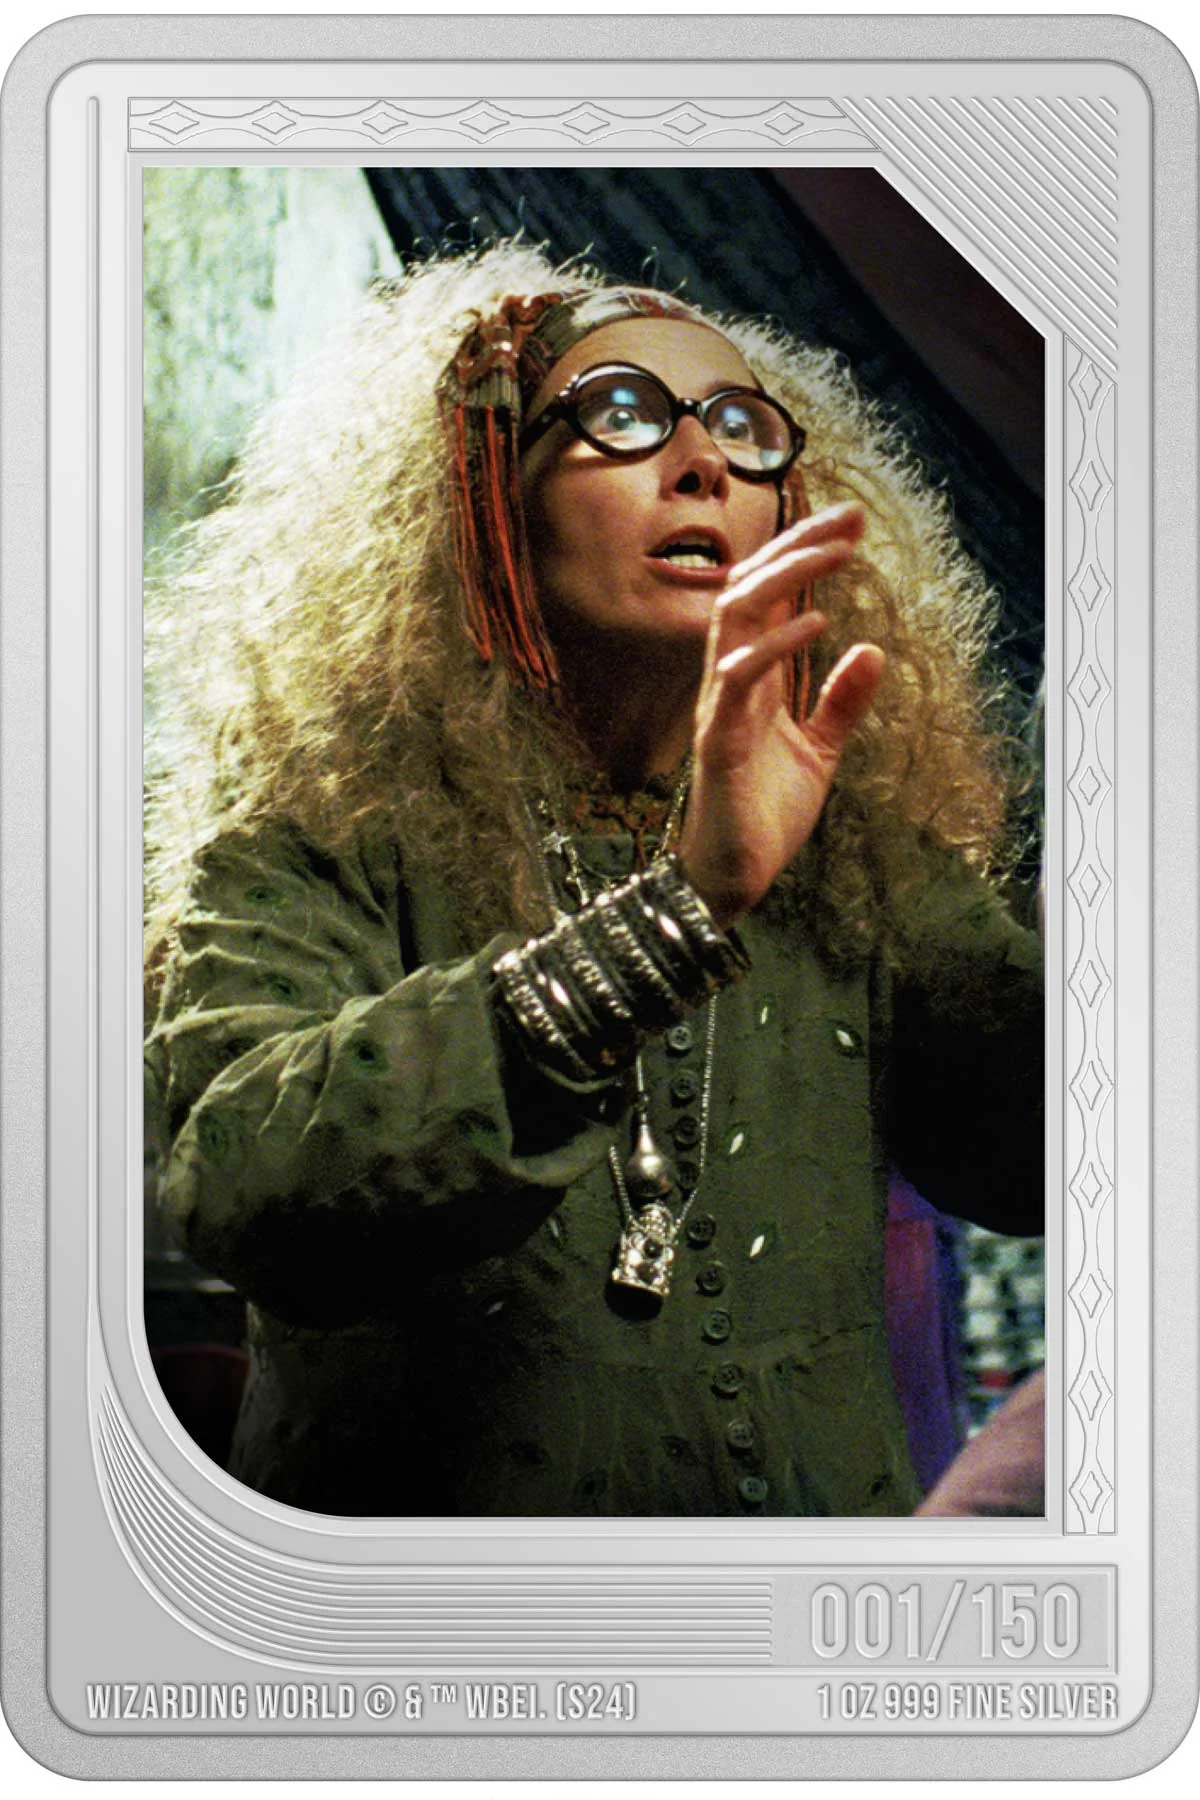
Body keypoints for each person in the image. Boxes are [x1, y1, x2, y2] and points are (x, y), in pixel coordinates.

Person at [144, 241, 1043, 1518]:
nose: (705, 460)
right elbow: (246, 1190)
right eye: (622, 414)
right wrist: (682, 908)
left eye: (743, 426)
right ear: (479, 501)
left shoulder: (857, 841)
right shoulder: (324, 822)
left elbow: (1042, 1157)